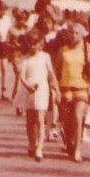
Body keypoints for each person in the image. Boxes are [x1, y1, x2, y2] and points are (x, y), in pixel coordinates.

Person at [53, 25, 90, 162]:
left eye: (77, 33)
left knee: (77, 117)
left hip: (81, 86)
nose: (74, 35)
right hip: (65, 87)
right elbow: (56, 70)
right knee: (66, 120)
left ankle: (77, 149)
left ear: (82, 35)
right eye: (72, 32)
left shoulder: (86, 49)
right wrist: (55, 89)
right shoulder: (63, 50)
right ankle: (70, 143)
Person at [17, 33, 58, 161]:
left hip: (42, 89)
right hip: (29, 90)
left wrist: (56, 89)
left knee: (40, 119)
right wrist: (27, 86)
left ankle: (40, 146)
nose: (35, 47)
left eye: (37, 43)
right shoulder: (24, 59)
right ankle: (31, 143)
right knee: (30, 121)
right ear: (28, 45)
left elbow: (51, 74)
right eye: (32, 44)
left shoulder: (45, 57)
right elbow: (21, 77)